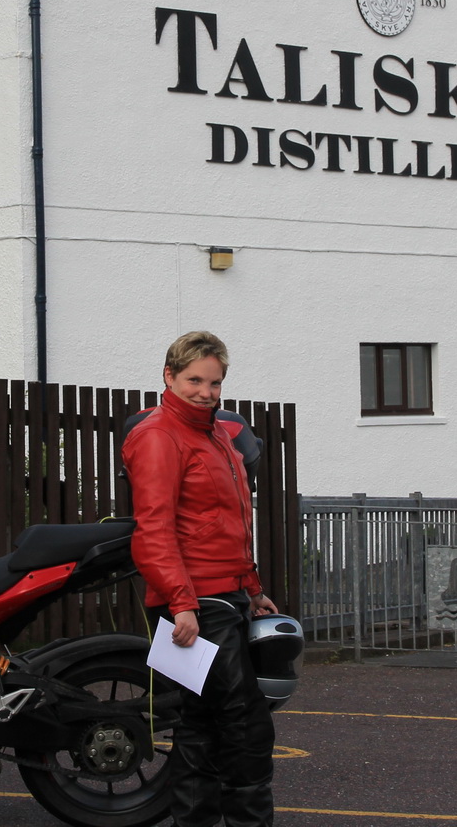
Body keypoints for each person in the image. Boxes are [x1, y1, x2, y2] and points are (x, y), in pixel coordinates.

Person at [123, 330, 276, 827]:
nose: (206, 393)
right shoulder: (157, 436)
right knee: (245, 723)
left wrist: (252, 588)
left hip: (220, 595)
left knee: (200, 722)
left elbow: (229, 522)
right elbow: (153, 529)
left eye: (214, 383)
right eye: (194, 380)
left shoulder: (216, 435)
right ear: (169, 376)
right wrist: (181, 603)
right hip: (193, 602)